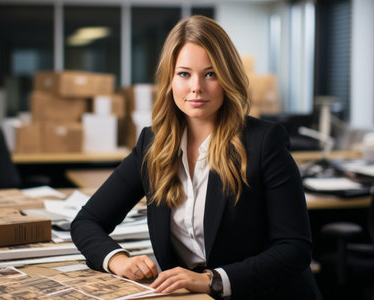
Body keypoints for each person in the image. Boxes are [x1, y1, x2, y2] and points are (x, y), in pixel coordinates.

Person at [71, 15, 321, 300]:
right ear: (170, 80)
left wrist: (212, 280)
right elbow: (86, 222)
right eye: (184, 74)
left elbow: (294, 248)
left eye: (210, 74)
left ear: (228, 78)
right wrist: (120, 261)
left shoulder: (263, 142)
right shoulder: (153, 145)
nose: (196, 87)